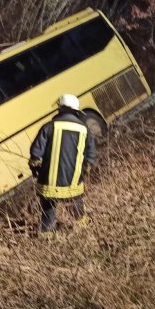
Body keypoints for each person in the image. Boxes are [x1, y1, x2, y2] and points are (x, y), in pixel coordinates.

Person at [29, 94, 97, 232]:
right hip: (73, 183)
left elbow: (35, 154)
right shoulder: (84, 130)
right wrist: (84, 172)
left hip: (48, 184)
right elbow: (90, 156)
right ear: (76, 111)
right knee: (77, 207)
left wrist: (36, 170)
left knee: (48, 213)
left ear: (61, 109)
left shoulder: (48, 127)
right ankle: (83, 229)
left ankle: (47, 237)